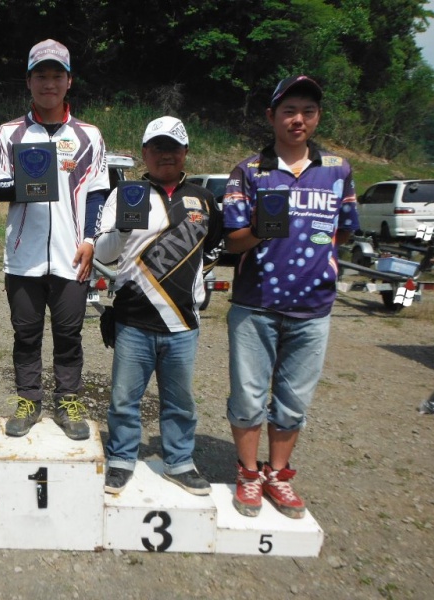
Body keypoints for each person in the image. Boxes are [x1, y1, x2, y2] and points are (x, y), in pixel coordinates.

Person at [222, 75, 360, 518]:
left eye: (308, 111)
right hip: (255, 304)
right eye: (289, 110)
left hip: (313, 307)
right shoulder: (249, 170)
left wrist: (324, 266)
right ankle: (248, 473)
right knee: (247, 396)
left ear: (317, 117)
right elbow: (232, 242)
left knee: (293, 400)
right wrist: (260, 227)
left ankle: (278, 475)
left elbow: (346, 231)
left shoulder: (338, 169)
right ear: (271, 116)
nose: (298, 119)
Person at [95, 116, 222, 495]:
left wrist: (198, 285)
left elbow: (216, 245)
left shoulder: (204, 198)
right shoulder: (125, 193)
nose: (165, 155)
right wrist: (119, 228)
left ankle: (180, 462)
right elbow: (103, 253)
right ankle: (120, 458)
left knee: (180, 401)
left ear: (185, 153)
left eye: (173, 148)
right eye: (157, 147)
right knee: (123, 399)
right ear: (144, 153)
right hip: (133, 318)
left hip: (183, 321)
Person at [0, 39, 109, 440]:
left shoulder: (89, 135)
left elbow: (96, 193)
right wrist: (26, 181)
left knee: (69, 334)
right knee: (25, 333)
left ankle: (68, 399)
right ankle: (28, 398)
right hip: (22, 256)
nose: (49, 82)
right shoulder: (9, 133)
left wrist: (91, 240)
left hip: (72, 254)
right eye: (41, 74)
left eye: (57, 75)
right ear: (29, 81)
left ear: (69, 81)